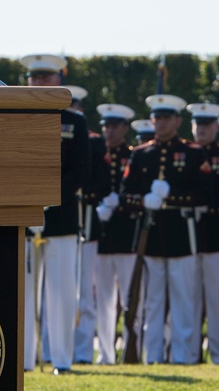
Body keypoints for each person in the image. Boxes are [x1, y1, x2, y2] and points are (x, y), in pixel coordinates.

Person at [120, 94, 208, 364]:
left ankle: (183, 355)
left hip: (181, 233)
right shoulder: (141, 153)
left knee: (183, 300)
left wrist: (171, 196)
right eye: (157, 118)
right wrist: (143, 200)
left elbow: (205, 193)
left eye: (166, 118)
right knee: (153, 301)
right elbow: (125, 195)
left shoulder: (194, 153)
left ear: (178, 121)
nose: (160, 123)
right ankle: (153, 354)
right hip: (151, 235)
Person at [22, 55, 90, 374]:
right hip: (25, 217)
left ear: (58, 80)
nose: (39, 83)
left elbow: (80, 171)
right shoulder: (16, 117)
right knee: (23, 292)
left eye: (46, 77)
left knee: (62, 292)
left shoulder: (75, 122)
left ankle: (61, 359)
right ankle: (24, 360)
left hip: (61, 218)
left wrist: (50, 195)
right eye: (34, 77)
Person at [187, 102, 219, 364]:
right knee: (190, 301)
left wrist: (211, 206)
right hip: (188, 237)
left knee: (218, 300)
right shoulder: (186, 153)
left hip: (217, 235)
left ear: (216, 127)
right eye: (198, 124)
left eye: (207, 124)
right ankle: (191, 354)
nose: (202, 129)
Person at [93, 103, 137, 364]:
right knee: (104, 300)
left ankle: (131, 349)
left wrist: (119, 202)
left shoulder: (132, 156)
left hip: (125, 235)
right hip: (102, 236)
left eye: (114, 126)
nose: (109, 131)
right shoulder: (98, 156)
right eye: (106, 126)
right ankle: (106, 353)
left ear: (124, 128)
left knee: (130, 298)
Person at [70, 85, 108, 365]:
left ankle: (82, 352)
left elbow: (102, 181)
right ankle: (52, 349)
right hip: (58, 221)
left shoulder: (94, 141)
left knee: (85, 294)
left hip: (85, 223)